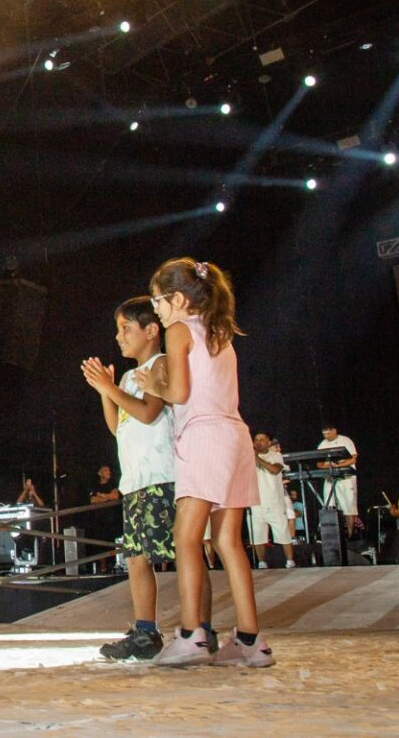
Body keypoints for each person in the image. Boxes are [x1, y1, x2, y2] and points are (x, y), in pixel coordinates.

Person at [135, 258, 273, 668]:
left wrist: (154, 383)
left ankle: (191, 633)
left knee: (186, 537)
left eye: (158, 300)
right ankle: (250, 640)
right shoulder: (220, 333)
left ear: (177, 299)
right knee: (229, 540)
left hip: (204, 435)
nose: (157, 309)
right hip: (235, 435)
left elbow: (178, 393)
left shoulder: (179, 330)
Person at [81, 296, 188, 662]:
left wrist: (110, 389)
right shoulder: (128, 377)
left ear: (151, 330)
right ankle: (145, 631)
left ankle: (200, 628)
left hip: (162, 476)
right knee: (136, 558)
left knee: (182, 554)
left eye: (126, 328)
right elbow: (118, 427)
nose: (119, 336)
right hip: (135, 482)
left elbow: (148, 413)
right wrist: (106, 391)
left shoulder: (162, 364)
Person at [249, 433, 296, 569]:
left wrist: (257, 459)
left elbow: (275, 470)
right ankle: (262, 562)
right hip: (255, 502)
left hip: (274, 502)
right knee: (258, 535)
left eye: (262, 439)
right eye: (256, 440)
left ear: (269, 442)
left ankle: (290, 561)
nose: (258, 442)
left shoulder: (275, 455)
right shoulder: (247, 456)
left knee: (283, 533)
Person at [317, 425, 359, 536]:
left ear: (334, 431)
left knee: (348, 506)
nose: (326, 436)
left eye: (328, 433)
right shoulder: (323, 444)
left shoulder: (345, 441)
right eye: (324, 434)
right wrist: (328, 466)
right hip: (330, 478)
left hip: (346, 478)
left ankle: (350, 534)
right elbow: (319, 463)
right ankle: (332, 535)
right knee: (329, 504)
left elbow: (353, 459)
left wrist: (338, 465)